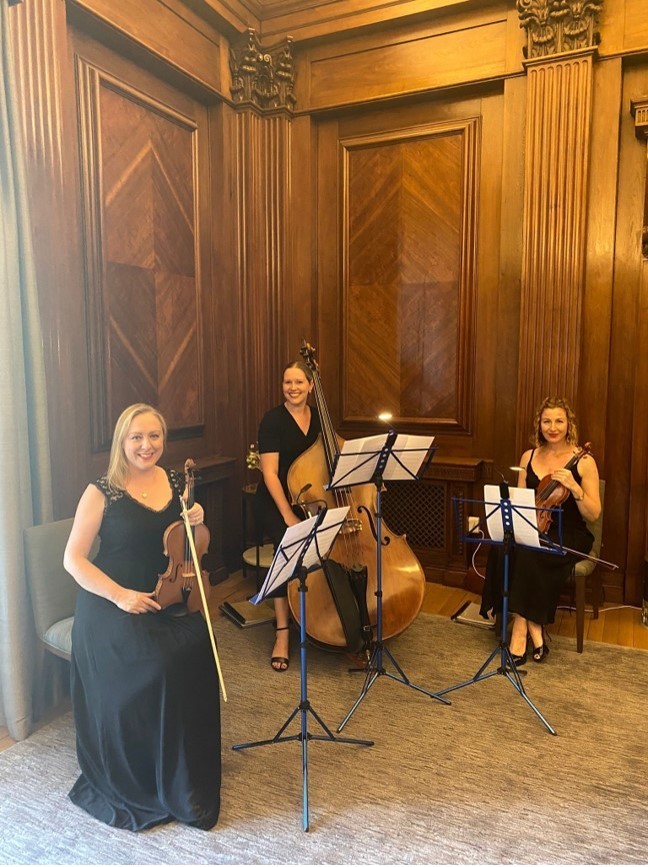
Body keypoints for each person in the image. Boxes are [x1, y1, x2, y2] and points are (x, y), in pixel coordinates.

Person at [63, 403, 221, 831]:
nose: (146, 445)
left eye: (154, 436)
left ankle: (183, 767)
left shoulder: (174, 481)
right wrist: (119, 596)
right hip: (109, 602)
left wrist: (196, 517)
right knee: (157, 662)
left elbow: (180, 541)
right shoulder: (102, 490)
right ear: (122, 441)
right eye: (137, 437)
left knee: (199, 643)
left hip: (163, 592)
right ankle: (144, 773)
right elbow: (73, 560)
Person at [480, 396, 601, 664]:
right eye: (547, 421)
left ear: (569, 424)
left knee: (531, 554)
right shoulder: (529, 456)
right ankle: (536, 630)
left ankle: (520, 631)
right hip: (536, 523)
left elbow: (594, 513)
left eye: (559, 420)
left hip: (568, 531)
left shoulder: (584, 461)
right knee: (507, 548)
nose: (553, 426)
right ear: (539, 424)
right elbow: (523, 501)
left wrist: (576, 488)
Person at [254, 361, 321, 671]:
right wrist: (287, 516)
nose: (292, 388)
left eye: (298, 382)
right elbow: (269, 474)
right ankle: (283, 632)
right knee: (288, 549)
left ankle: (321, 618)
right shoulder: (273, 420)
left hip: (308, 500)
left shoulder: (318, 418)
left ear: (310, 385)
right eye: (286, 382)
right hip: (275, 501)